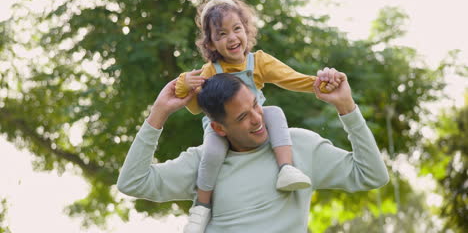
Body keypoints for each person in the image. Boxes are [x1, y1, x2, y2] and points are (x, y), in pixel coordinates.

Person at [117, 71, 389, 233]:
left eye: (256, 106)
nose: (258, 119)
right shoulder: (203, 163)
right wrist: (158, 114)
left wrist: (347, 107)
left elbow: (372, 175)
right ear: (219, 128)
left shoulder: (300, 146)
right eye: (242, 117)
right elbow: (133, 182)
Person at [174, 0, 340, 232]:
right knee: (211, 153)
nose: (232, 38)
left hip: (254, 123)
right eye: (222, 34)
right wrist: (183, 84)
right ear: (210, 43)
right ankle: (201, 206)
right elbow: (195, 106)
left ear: (246, 30)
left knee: (275, 113)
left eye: (237, 28)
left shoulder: (259, 62)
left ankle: (286, 169)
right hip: (223, 129)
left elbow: (289, 78)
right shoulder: (210, 71)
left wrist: (319, 83)